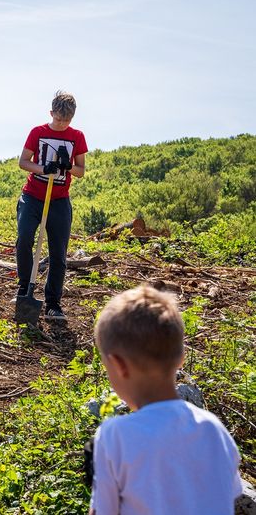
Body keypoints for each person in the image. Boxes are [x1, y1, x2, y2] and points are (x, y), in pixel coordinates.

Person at [89, 285, 242, 514]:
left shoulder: (115, 436)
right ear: (181, 358)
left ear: (118, 365)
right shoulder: (214, 429)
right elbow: (227, 496)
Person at [16, 90, 87, 322]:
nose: (61, 124)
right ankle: (24, 290)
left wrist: (67, 168)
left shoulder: (77, 136)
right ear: (51, 113)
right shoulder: (38, 132)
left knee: (59, 253)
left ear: (73, 118)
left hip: (59, 201)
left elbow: (81, 171)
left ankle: (53, 304)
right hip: (33, 196)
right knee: (24, 238)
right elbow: (23, 162)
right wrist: (42, 169)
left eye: (66, 120)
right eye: (58, 119)